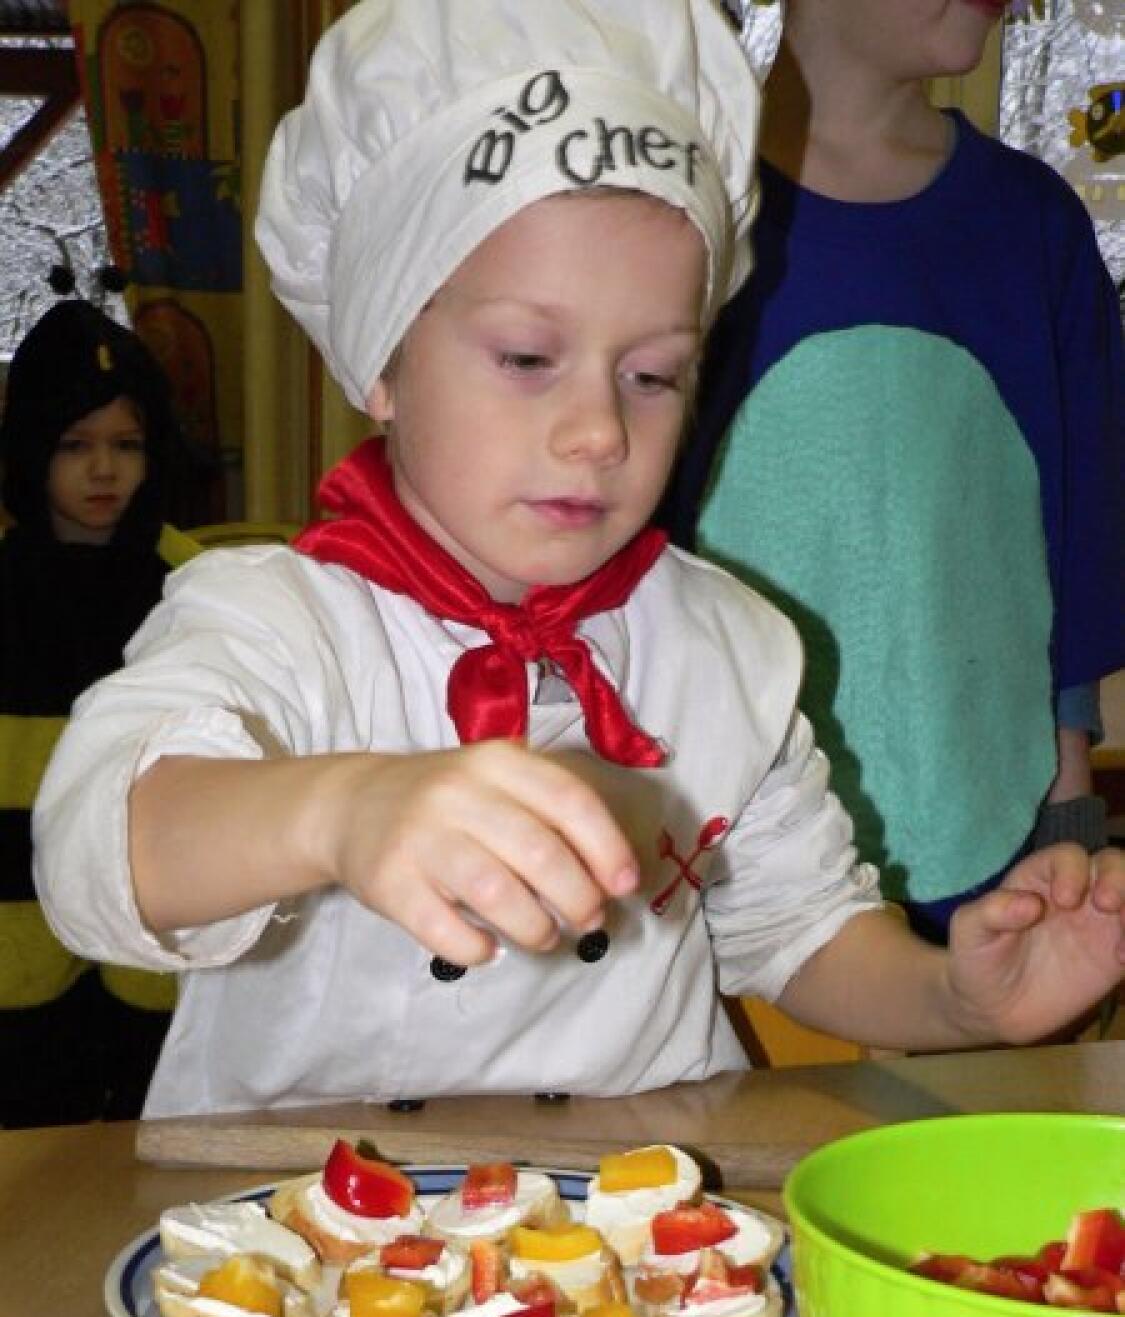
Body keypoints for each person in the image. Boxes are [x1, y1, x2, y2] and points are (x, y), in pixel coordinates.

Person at [31, 0, 1125, 1122]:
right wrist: (343, 810)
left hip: (638, 1212)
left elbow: (802, 931)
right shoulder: (275, 623)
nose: (599, 431)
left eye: (652, 375)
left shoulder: (726, 645)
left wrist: (961, 1000)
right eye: (526, 357)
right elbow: (99, 845)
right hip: (299, 1212)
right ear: (382, 362)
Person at [661, 0, 1125, 941]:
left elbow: (1075, 542)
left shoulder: (1032, 226)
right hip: (726, 874)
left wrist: (1066, 808)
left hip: (992, 871)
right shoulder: (685, 213)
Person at [0, 298, 200, 1126]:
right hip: (16, 928)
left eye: (127, 445)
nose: (104, 471)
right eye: (75, 446)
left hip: (154, 923)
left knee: (148, 1130)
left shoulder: (193, 587)